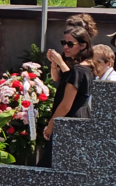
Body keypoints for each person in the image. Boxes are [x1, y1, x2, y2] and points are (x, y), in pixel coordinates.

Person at [39, 26, 94, 167]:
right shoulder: (85, 67)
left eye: (70, 44)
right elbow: (58, 78)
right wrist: (54, 63)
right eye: (64, 43)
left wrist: (51, 125)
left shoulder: (78, 69)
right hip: (79, 118)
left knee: (50, 166)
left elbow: (66, 105)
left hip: (70, 120)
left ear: (83, 46)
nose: (65, 47)